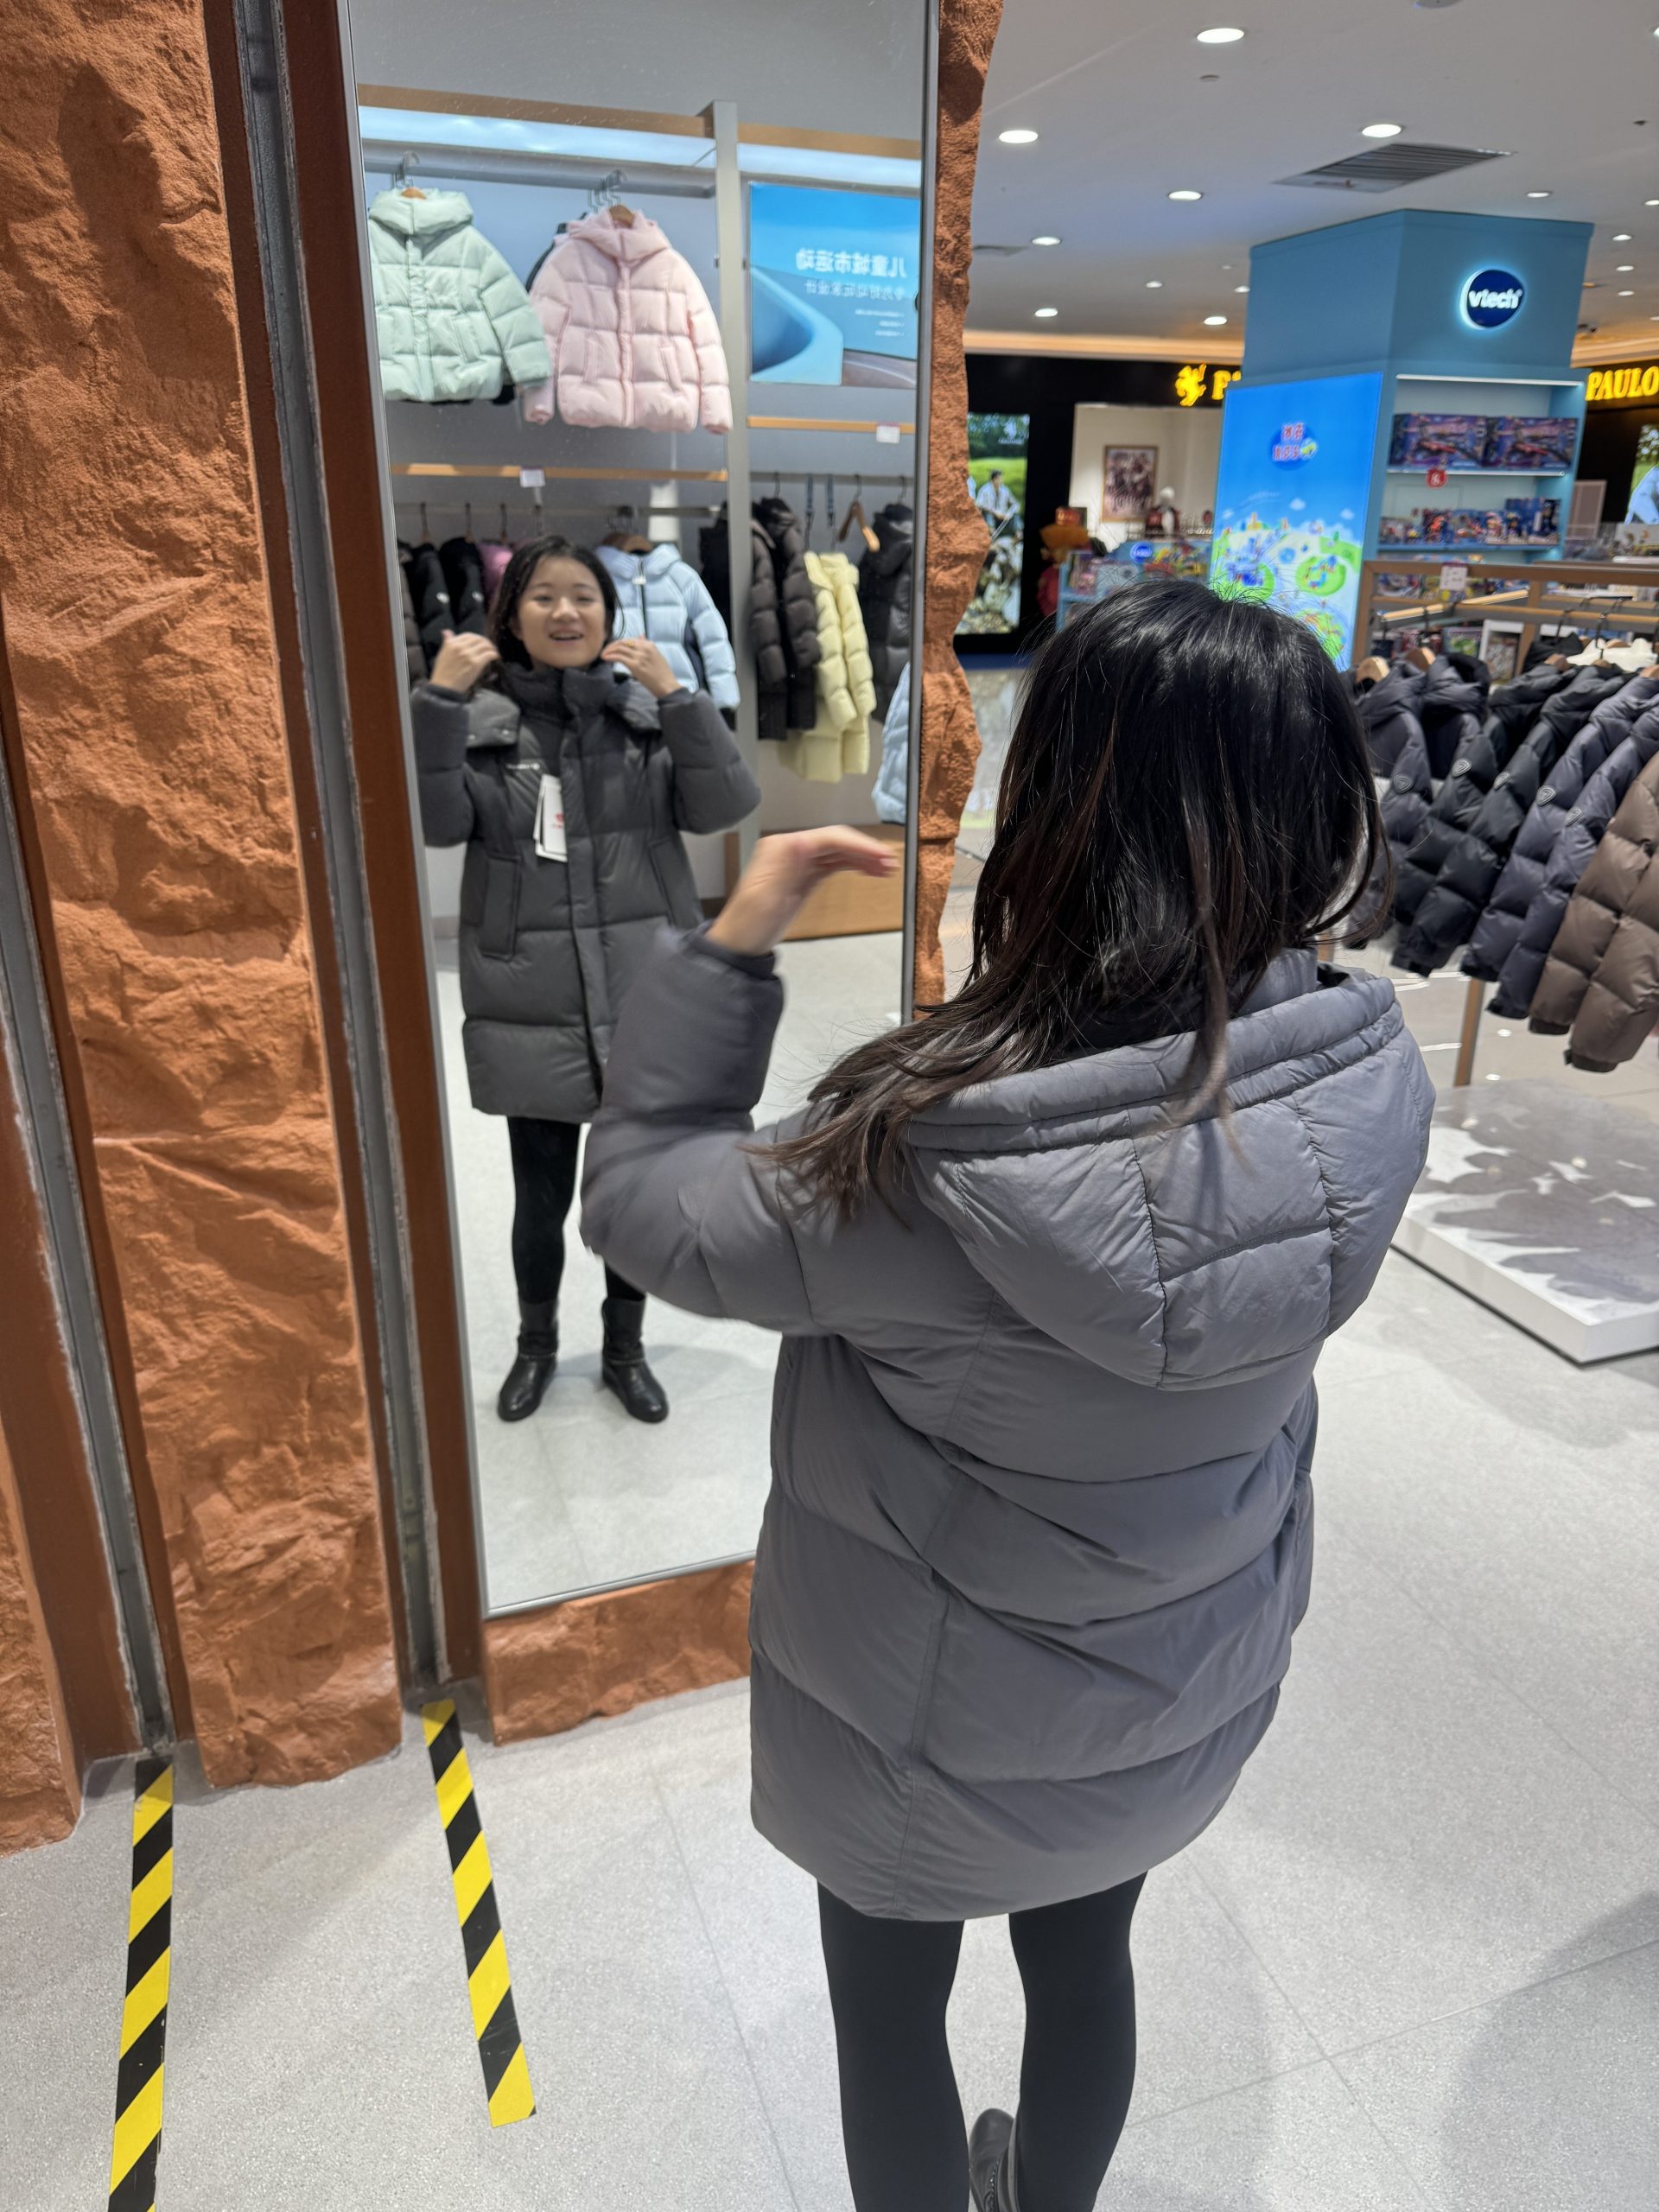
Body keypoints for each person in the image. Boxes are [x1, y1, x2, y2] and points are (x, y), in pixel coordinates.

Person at [582, 578, 1433, 2212]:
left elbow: (640, 1201)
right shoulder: (1354, 1078)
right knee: (1089, 1957)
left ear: (1057, 807)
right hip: (1171, 1684)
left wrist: (740, 937)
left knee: (888, 2007)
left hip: (926, 1729)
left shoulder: (922, 1164)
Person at [413, 535, 759, 1426]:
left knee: (630, 1192)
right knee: (540, 1198)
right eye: (543, 597)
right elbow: (437, 825)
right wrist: (439, 702)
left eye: (583, 597)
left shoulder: (645, 717)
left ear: (609, 614)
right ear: (511, 616)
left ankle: (624, 1350)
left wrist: (679, 697)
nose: (565, 612)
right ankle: (535, 1347)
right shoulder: (482, 724)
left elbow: (725, 807)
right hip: (530, 996)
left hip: (645, 992)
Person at [976, 467, 1020, 531]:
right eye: (999, 479)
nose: (1001, 481)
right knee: (988, 515)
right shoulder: (984, 490)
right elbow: (978, 504)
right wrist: (994, 512)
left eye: (1001, 479)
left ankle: (1018, 533)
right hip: (991, 516)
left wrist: (1009, 513)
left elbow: (1015, 504)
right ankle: (991, 532)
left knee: (1015, 514)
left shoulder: (1005, 489)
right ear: (993, 479)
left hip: (1003, 516)